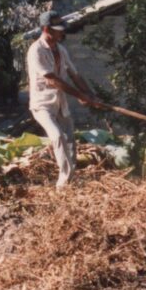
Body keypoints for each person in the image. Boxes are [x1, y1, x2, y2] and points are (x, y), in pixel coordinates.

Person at [26, 10, 101, 187]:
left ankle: (72, 178)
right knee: (57, 136)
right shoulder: (36, 50)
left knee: (69, 140)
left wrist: (90, 94)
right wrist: (80, 95)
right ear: (46, 29)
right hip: (42, 104)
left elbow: (74, 75)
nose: (62, 32)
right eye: (58, 29)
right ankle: (64, 183)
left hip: (60, 103)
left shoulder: (61, 49)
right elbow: (52, 79)